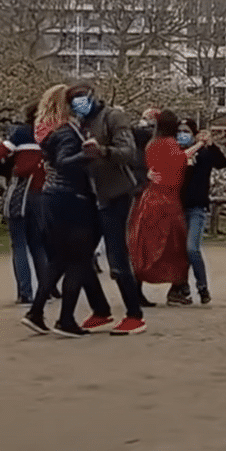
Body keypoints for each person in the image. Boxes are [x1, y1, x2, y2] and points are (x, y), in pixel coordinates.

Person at [21, 85, 116, 337]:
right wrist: (87, 155)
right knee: (79, 259)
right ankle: (65, 319)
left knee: (60, 259)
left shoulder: (47, 130)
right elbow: (64, 162)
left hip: (53, 197)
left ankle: (36, 312)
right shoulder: (66, 132)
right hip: (72, 199)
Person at [68, 83, 149, 334]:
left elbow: (128, 152)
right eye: (73, 101)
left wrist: (102, 151)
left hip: (115, 193)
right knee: (81, 255)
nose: (79, 104)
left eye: (82, 98)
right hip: (91, 195)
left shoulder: (112, 117)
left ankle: (134, 315)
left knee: (116, 256)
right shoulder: (78, 123)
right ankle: (100, 309)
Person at [0, 101, 52, 304]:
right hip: (43, 192)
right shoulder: (52, 135)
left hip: (21, 191)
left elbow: (0, 152)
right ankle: (46, 290)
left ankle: (25, 292)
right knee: (38, 245)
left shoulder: (21, 133)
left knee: (19, 244)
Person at [127, 109, 191, 299]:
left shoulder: (152, 144)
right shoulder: (170, 145)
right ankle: (178, 287)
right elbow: (179, 163)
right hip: (168, 200)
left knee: (144, 245)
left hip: (149, 198)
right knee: (174, 246)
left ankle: (136, 286)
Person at [169, 118, 226, 305]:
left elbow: (222, 163)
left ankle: (202, 286)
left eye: (186, 131)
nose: (182, 135)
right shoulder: (175, 152)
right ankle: (181, 288)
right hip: (177, 207)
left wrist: (211, 145)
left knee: (192, 248)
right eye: (179, 131)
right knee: (178, 251)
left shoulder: (203, 153)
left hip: (196, 207)